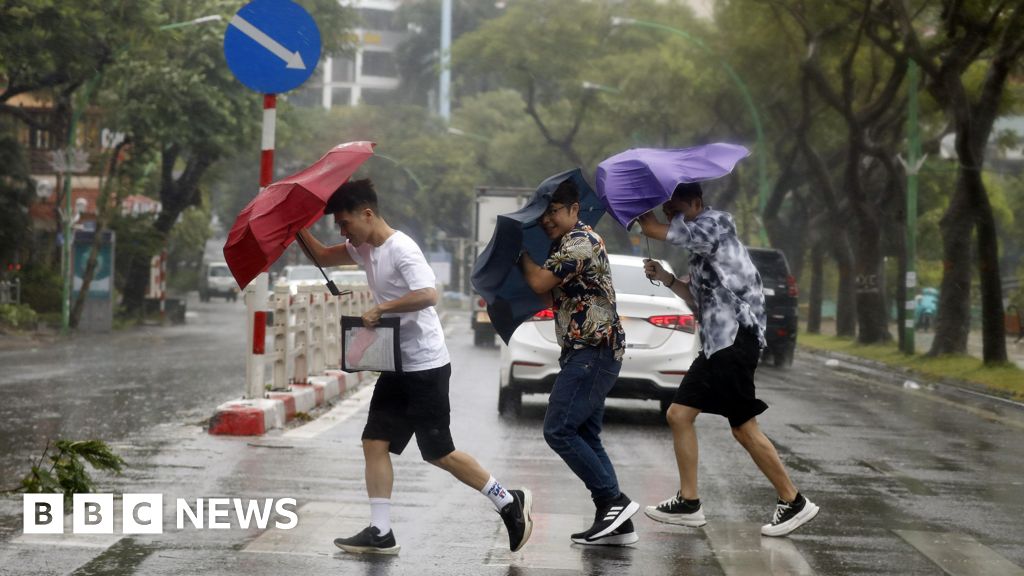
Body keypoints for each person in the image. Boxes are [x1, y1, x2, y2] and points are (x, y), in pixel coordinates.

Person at [297, 179, 532, 555]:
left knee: (440, 452)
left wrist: (382, 308)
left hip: (425, 365)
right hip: (395, 364)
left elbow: (429, 294)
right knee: (374, 442)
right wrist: (297, 227)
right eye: (339, 227)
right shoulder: (364, 250)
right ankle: (381, 530)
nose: (343, 232)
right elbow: (324, 256)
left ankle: (508, 500)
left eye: (345, 223)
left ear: (367, 214)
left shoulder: (401, 248)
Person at [636, 182, 819, 537]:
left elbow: (656, 230)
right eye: (668, 209)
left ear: (696, 203)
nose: (671, 215)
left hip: (736, 338)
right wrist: (667, 279)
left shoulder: (715, 224)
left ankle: (793, 500)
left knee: (743, 427)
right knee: (679, 414)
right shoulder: (700, 243)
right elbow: (698, 297)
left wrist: (644, 213)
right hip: (717, 344)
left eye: (676, 208)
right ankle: (689, 503)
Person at [518, 179, 638, 546]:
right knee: (585, 433)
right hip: (586, 351)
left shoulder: (581, 242)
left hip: (593, 351)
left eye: (554, 211)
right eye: (544, 214)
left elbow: (539, 282)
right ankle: (617, 522)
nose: (547, 220)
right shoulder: (565, 244)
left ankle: (614, 502)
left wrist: (520, 252)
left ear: (574, 209)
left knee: (559, 429)